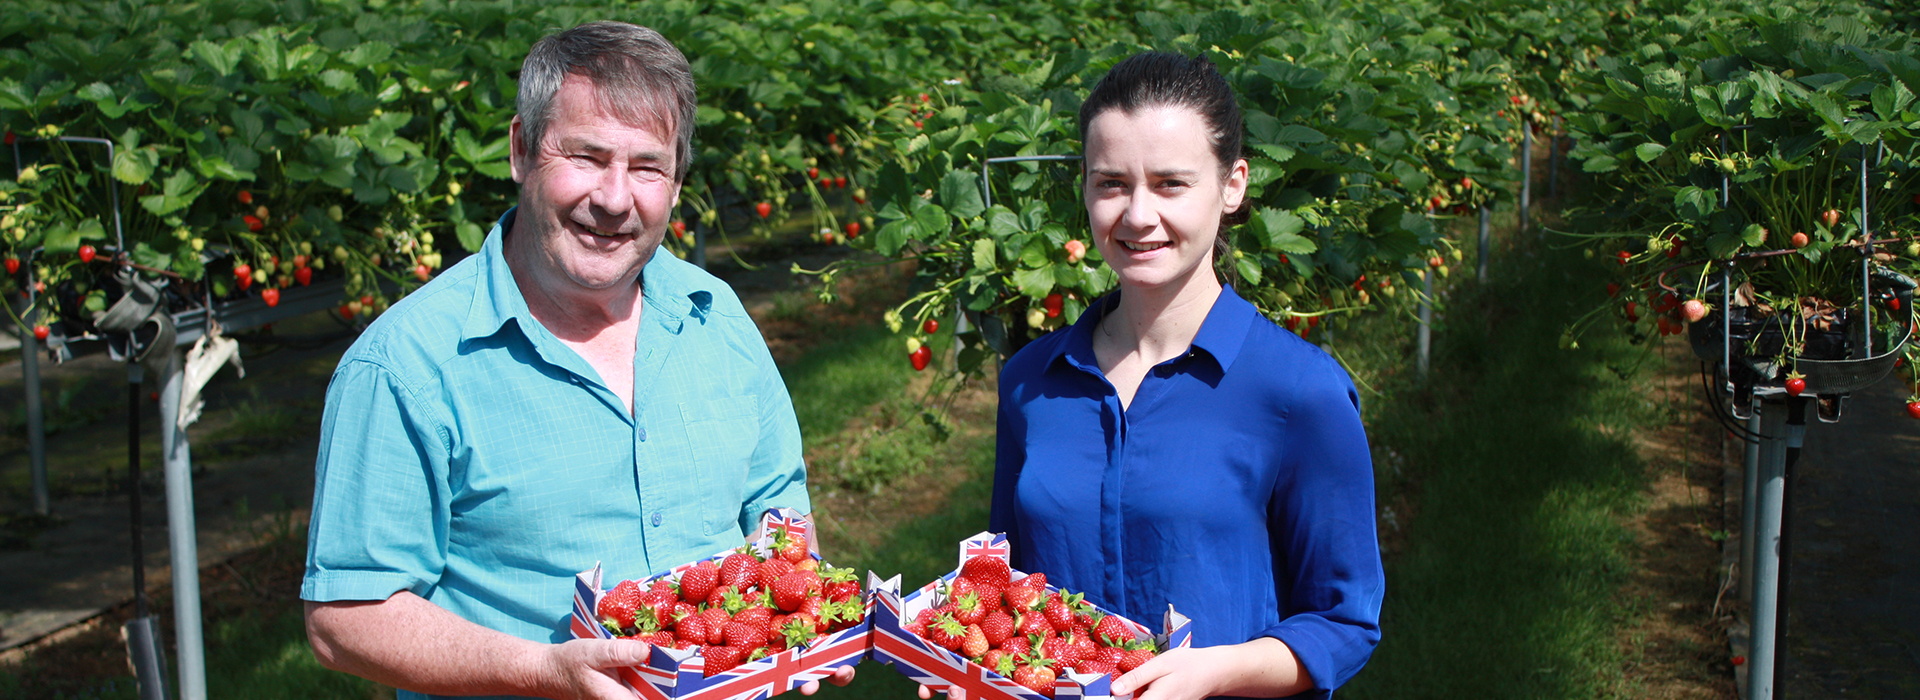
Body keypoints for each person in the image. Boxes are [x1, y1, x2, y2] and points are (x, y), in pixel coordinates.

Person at [300, 22, 851, 700]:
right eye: (587, 157)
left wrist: (792, 609)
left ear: (677, 183)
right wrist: (542, 670)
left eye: (647, 166)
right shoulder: (406, 366)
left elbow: (775, 502)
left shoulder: (717, 315)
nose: (615, 199)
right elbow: (347, 619)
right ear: (521, 150)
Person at [988, 52, 1385, 700]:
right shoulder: (1032, 383)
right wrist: (966, 665)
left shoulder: (1296, 391)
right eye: (1111, 183)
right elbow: (1006, 586)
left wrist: (1216, 671)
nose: (1138, 215)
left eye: (1171, 183)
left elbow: (1344, 622)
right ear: (1084, 189)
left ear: (1232, 185)